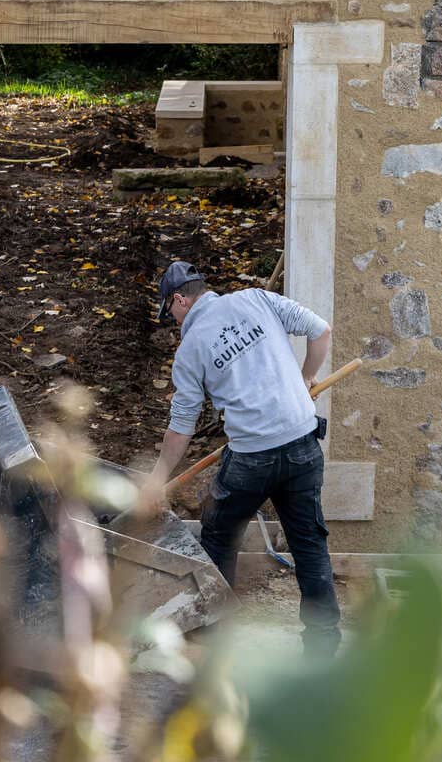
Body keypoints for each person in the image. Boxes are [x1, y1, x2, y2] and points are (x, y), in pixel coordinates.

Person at [142, 261, 340, 656]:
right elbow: (321, 331)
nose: (174, 321)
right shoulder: (257, 300)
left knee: (218, 536)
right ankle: (322, 648)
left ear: (180, 299)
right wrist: (305, 378)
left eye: (171, 312)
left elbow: (181, 425)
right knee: (309, 544)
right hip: (303, 443)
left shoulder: (192, 348)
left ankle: (215, 644)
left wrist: (157, 476)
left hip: (251, 457)